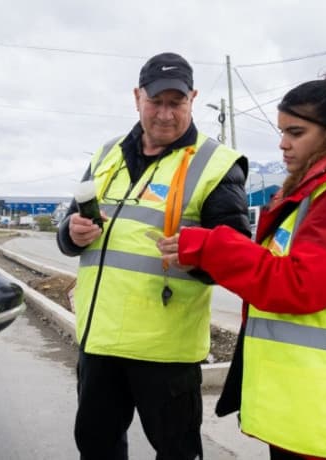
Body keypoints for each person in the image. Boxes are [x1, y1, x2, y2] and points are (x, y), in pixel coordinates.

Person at [158, 71, 326, 459]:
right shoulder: (317, 192)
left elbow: (298, 284)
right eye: (282, 132)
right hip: (307, 405)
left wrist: (212, 245)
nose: (283, 144)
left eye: (296, 132)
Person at [57, 51, 250, 460]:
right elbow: (68, 227)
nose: (165, 114)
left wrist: (197, 253)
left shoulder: (216, 164)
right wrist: (72, 234)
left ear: (192, 99)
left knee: (177, 452)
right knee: (96, 447)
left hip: (165, 353)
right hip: (100, 343)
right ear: (137, 98)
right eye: (155, 102)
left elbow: (237, 255)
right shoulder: (106, 154)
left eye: (175, 103)